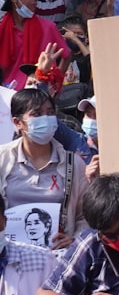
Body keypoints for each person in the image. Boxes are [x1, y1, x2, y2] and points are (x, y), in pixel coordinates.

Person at [0, 88, 89, 249]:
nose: (46, 119)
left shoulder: (73, 164)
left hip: (58, 259)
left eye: (50, 112)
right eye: (37, 114)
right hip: (9, 257)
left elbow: (85, 215)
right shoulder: (2, 159)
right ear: (17, 122)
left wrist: (74, 241)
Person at [0, 0, 71, 90]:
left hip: (41, 95)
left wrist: (55, 83)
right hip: (10, 97)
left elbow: (67, 55)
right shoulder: (2, 30)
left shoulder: (48, 27)